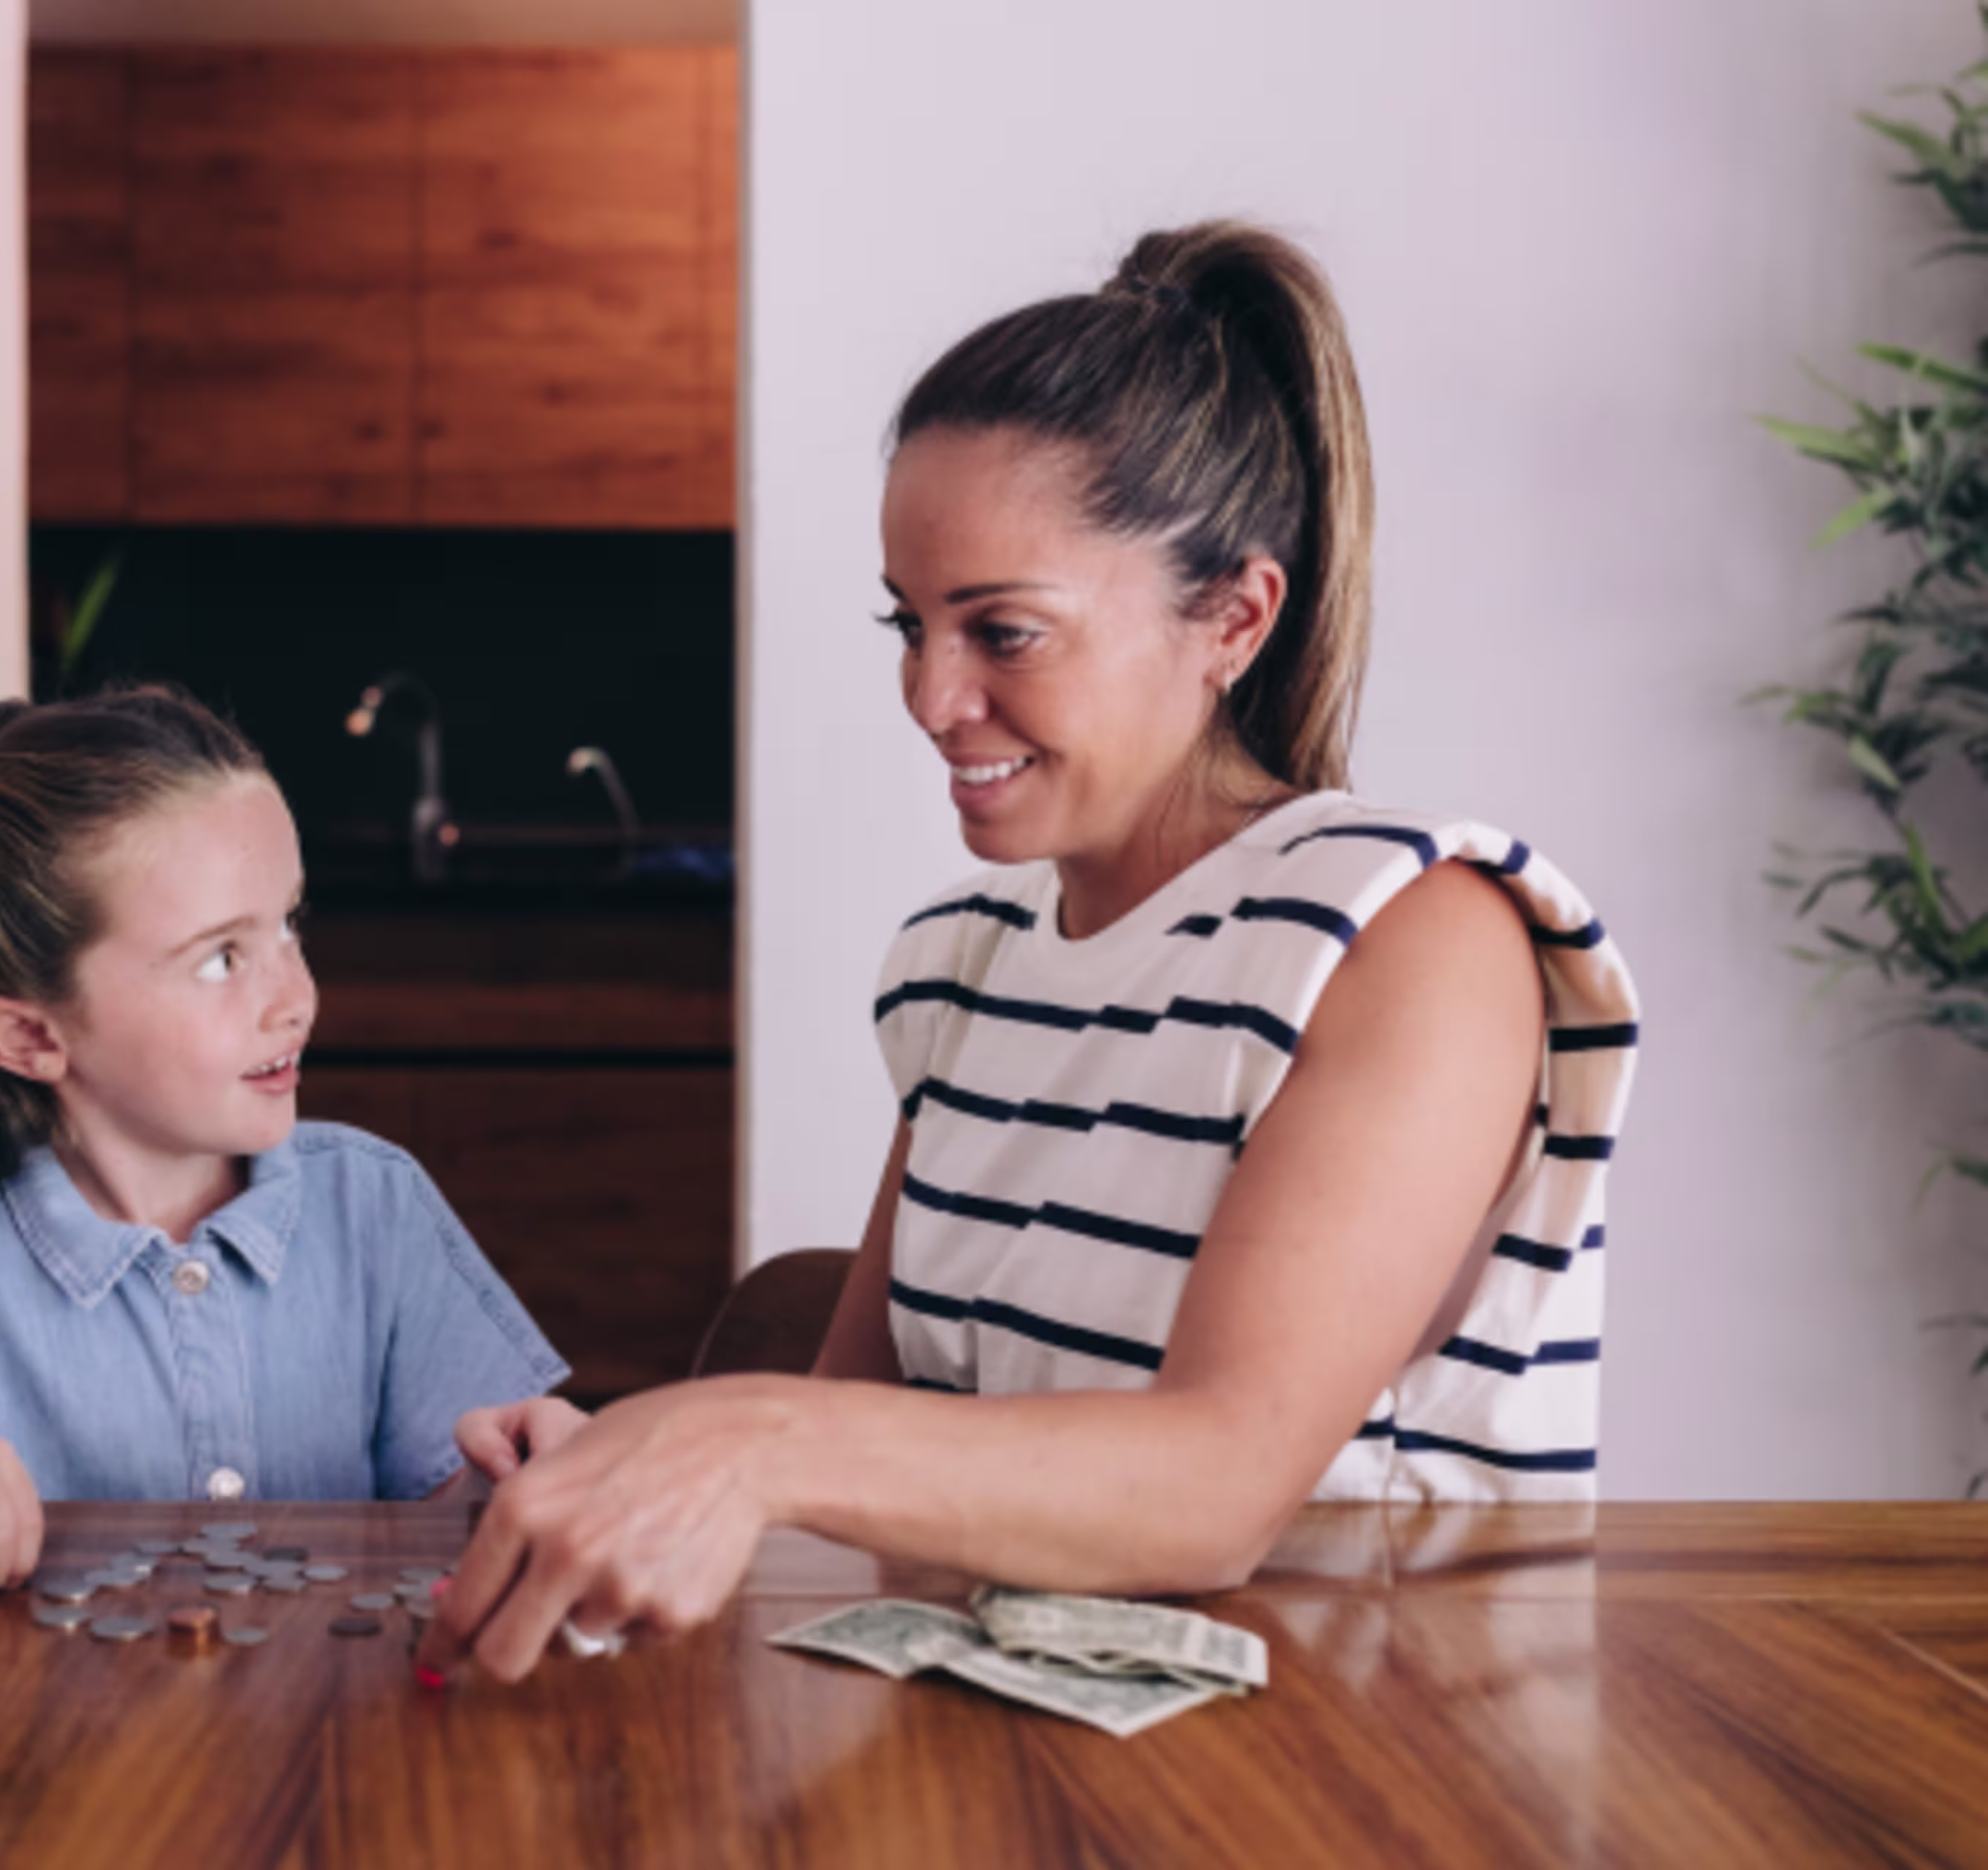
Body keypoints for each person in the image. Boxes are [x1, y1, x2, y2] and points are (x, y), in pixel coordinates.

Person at [421, 221, 1640, 1682]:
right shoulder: (964, 963)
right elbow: (861, 1458)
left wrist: (740, 1434)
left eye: (1003, 630)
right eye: (912, 624)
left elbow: (1213, 1491)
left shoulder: (1413, 931)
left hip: (1357, 1785)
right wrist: (631, 1474)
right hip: (1008, 1769)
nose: (933, 697)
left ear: (1234, 618)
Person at [0, 684, 569, 1588]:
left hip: (337, 1734)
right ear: (31, 1038)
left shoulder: (374, 1204)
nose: (297, 997)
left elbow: (459, 1524)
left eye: (290, 924)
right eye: (222, 958)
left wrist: (539, 1479)